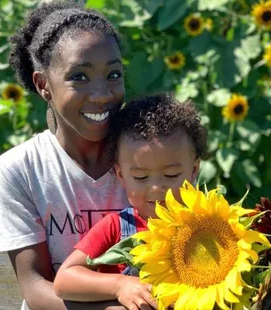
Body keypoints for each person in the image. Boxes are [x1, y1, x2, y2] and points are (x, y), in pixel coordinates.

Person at [0, 1, 130, 309]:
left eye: (114, 74)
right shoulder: (20, 170)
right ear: (43, 85)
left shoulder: (148, 156)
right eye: (79, 76)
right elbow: (37, 289)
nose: (103, 93)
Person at [53, 94, 207, 310]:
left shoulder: (208, 227)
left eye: (171, 175)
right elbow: (64, 280)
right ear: (121, 176)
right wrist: (119, 285)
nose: (156, 188)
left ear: (193, 171)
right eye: (141, 177)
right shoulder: (116, 227)